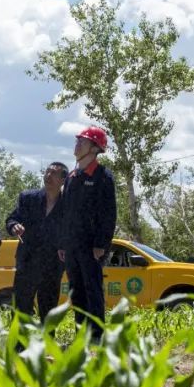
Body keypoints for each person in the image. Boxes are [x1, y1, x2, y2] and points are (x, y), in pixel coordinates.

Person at [58, 126, 116, 341]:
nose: (77, 145)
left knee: (93, 290)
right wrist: (62, 243)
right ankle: (81, 334)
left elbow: (108, 214)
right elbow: (65, 214)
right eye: (77, 141)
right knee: (76, 291)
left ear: (95, 148)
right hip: (71, 246)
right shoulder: (72, 177)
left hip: (92, 247)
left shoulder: (103, 176)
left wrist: (101, 244)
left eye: (83, 142)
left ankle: (97, 337)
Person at [5, 162, 68, 321]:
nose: (48, 175)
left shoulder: (68, 204)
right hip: (27, 263)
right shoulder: (28, 198)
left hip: (52, 267)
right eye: (47, 171)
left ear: (63, 180)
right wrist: (14, 226)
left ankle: (46, 345)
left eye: (54, 173)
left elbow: (73, 231)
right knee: (20, 310)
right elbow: (12, 219)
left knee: (49, 312)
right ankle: (18, 346)